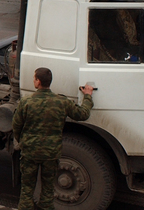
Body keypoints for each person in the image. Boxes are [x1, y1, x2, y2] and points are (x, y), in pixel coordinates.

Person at [12, 67, 94, 210]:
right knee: (48, 189)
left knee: (27, 189)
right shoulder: (62, 102)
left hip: (30, 152)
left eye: (34, 78)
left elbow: (16, 126)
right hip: (51, 153)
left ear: (38, 81)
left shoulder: (26, 102)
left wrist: (22, 142)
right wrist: (87, 96)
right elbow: (83, 114)